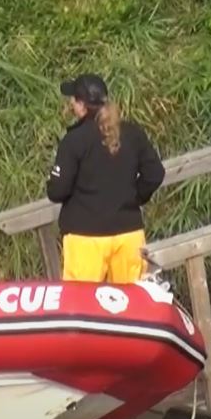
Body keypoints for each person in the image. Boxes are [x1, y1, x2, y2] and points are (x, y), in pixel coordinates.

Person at [45, 73, 166, 284]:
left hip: (85, 237)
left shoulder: (74, 141)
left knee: (82, 306)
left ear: (82, 105)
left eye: (73, 99)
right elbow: (155, 173)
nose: (71, 104)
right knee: (133, 304)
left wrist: (53, 181)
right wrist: (135, 198)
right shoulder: (132, 133)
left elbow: (57, 191)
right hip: (128, 233)